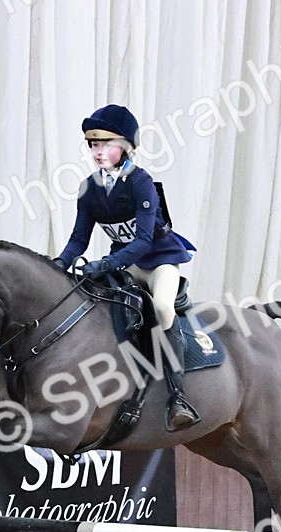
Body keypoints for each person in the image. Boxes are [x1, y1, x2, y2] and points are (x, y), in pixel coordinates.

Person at [53, 104, 200, 432]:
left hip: (159, 260)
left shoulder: (140, 182)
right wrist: (59, 264)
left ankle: (178, 396)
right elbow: (79, 239)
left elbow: (144, 241)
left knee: (161, 307)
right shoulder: (89, 188)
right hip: (125, 262)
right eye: (93, 144)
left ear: (126, 147)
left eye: (105, 144)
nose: (97, 151)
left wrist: (104, 263)